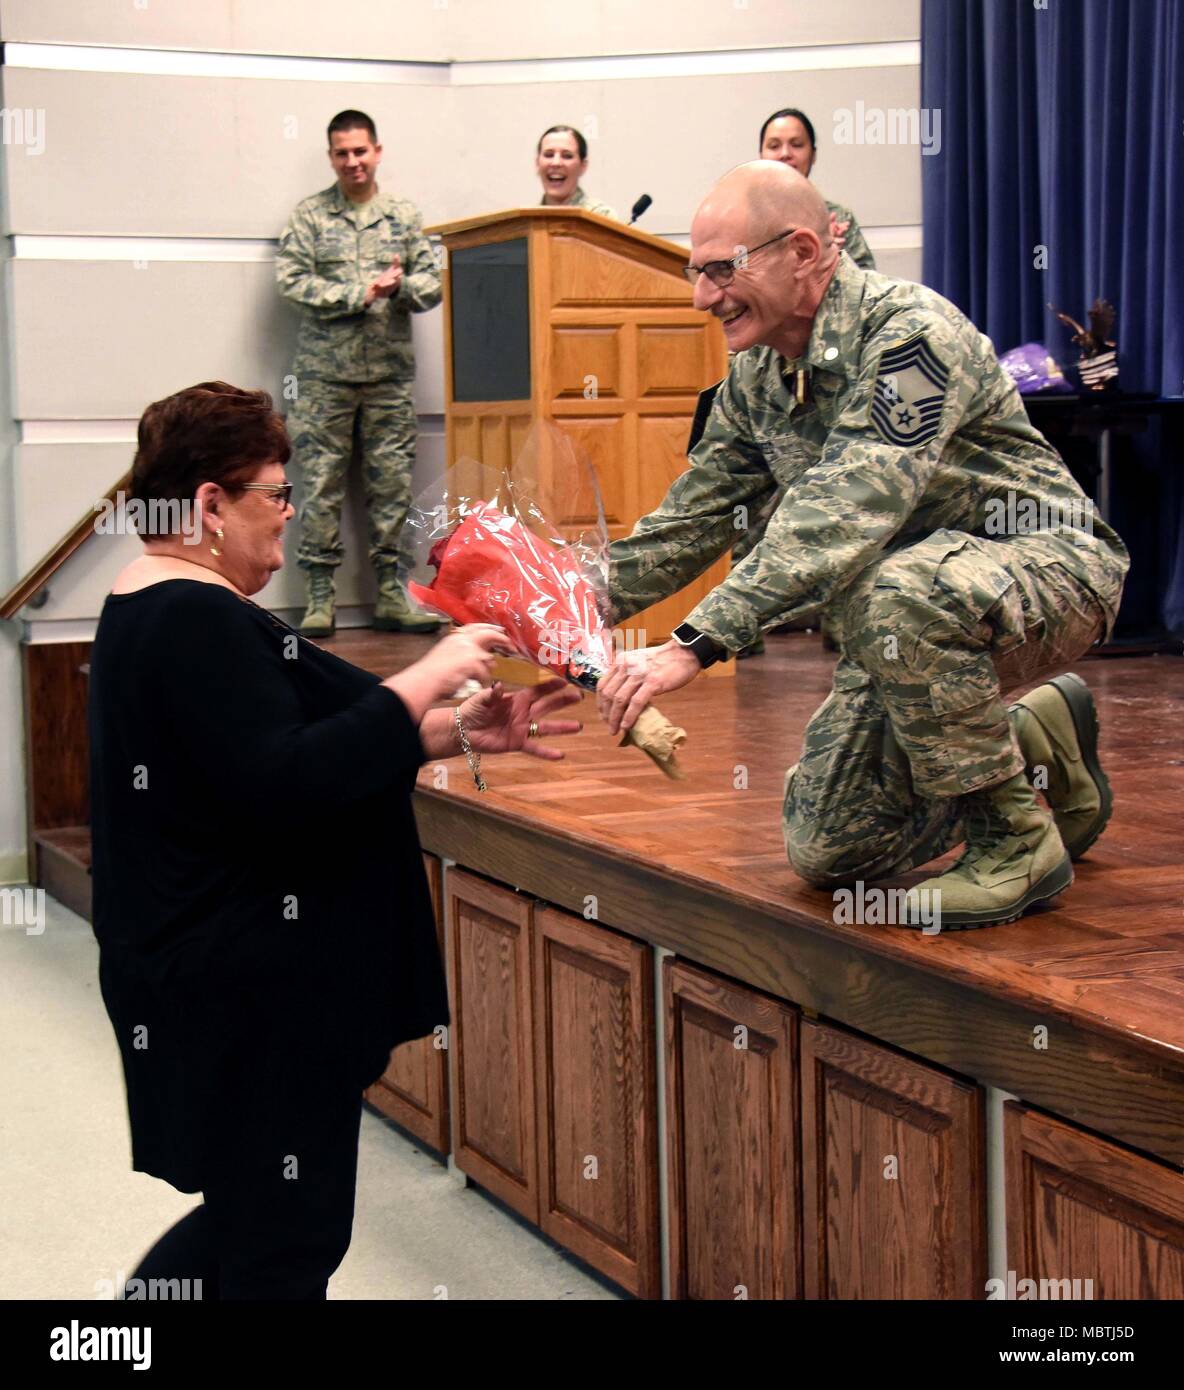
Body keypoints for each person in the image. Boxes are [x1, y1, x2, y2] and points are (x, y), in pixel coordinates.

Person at [88, 382, 582, 1298]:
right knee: (284, 1232)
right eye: (275, 493)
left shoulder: (172, 606)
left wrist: (459, 731)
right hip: (239, 989)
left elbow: (300, 750)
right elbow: (286, 780)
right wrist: (431, 670)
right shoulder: (188, 617)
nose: (288, 515)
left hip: (230, 981)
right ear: (208, 504)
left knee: (268, 1222)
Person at [596, 162, 1129, 930]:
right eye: (695, 273)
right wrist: (559, 597)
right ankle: (1031, 746)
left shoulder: (912, 338)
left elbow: (847, 505)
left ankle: (1016, 844)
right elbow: (693, 518)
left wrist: (691, 644)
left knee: (895, 593)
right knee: (831, 851)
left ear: (803, 250)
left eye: (721, 270)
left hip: (1049, 570)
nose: (701, 297)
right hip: (911, 625)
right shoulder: (757, 375)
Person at [276, 109, 443, 638]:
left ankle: (392, 593)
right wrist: (359, 293)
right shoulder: (310, 216)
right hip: (324, 379)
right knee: (320, 485)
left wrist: (400, 289)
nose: (353, 161)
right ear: (331, 157)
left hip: (388, 379)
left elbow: (432, 285)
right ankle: (319, 596)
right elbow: (292, 282)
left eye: (361, 151)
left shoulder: (402, 215)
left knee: (392, 487)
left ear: (377, 151)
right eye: (342, 153)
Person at [759, 107, 875, 270]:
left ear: (813, 155)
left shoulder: (839, 219)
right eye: (774, 146)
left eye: (797, 144)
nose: (785, 153)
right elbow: (731, 280)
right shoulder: (742, 220)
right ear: (761, 155)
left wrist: (833, 257)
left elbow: (866, 284)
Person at [536, 125, 620, 221]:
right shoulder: (526, 222)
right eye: (549, 155)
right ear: (537, 163)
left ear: (583, 166)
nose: (556, 163)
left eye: (567, 156)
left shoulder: (601, 217)